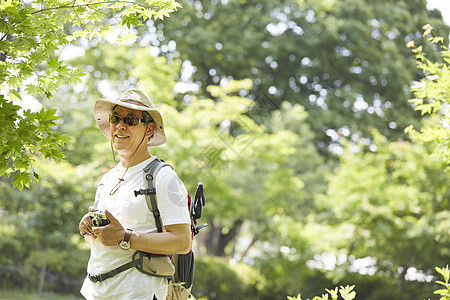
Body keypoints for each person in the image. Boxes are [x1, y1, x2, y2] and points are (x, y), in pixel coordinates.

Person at [79, 89, 191, 300]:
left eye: (130, 119)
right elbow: (102, 244)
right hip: (96, 292)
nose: (120, 125)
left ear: (149, 129)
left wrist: (126, 237)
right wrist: (90, 231)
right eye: (115, 118)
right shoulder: (107, 179)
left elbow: (182, 242)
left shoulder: (163, 177)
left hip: (139, 292)